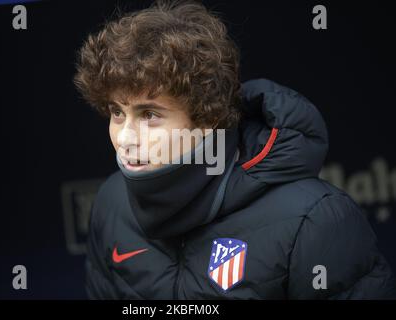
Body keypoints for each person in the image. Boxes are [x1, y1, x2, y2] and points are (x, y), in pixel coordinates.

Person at [73, 0, 396, 299]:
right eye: (117, 112)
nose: (125, 138)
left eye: (150, 115)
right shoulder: (112, 203)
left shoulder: (317, 219)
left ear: (207, 117)